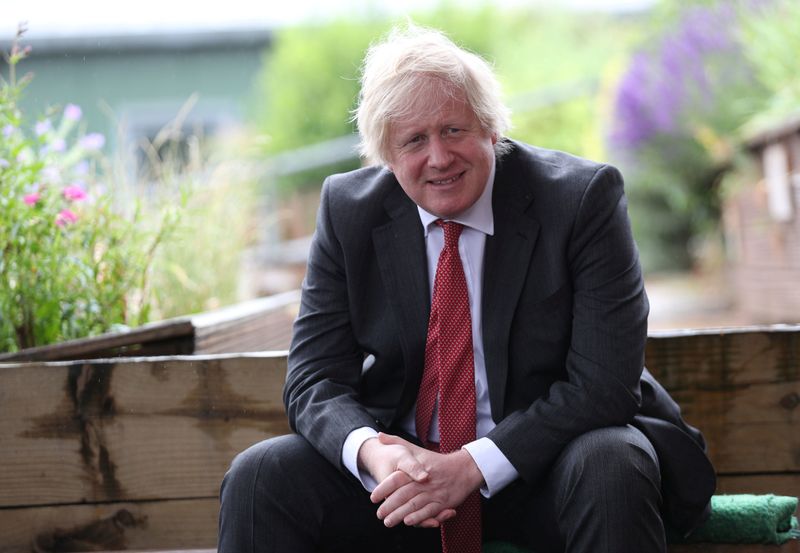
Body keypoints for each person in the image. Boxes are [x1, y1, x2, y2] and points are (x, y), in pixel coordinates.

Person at [218, 25, 715, 553]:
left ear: (491, 128)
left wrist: (473, 465)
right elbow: (314, 377)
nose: (439, 157)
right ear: (386, 154)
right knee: (261, 475)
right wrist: (374, 453)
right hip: (405, 486)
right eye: (414, 140)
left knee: (613, 461)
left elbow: (603, 385)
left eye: (454, 130)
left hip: (545, 467)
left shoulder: (580, 200)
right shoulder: (349, 211)